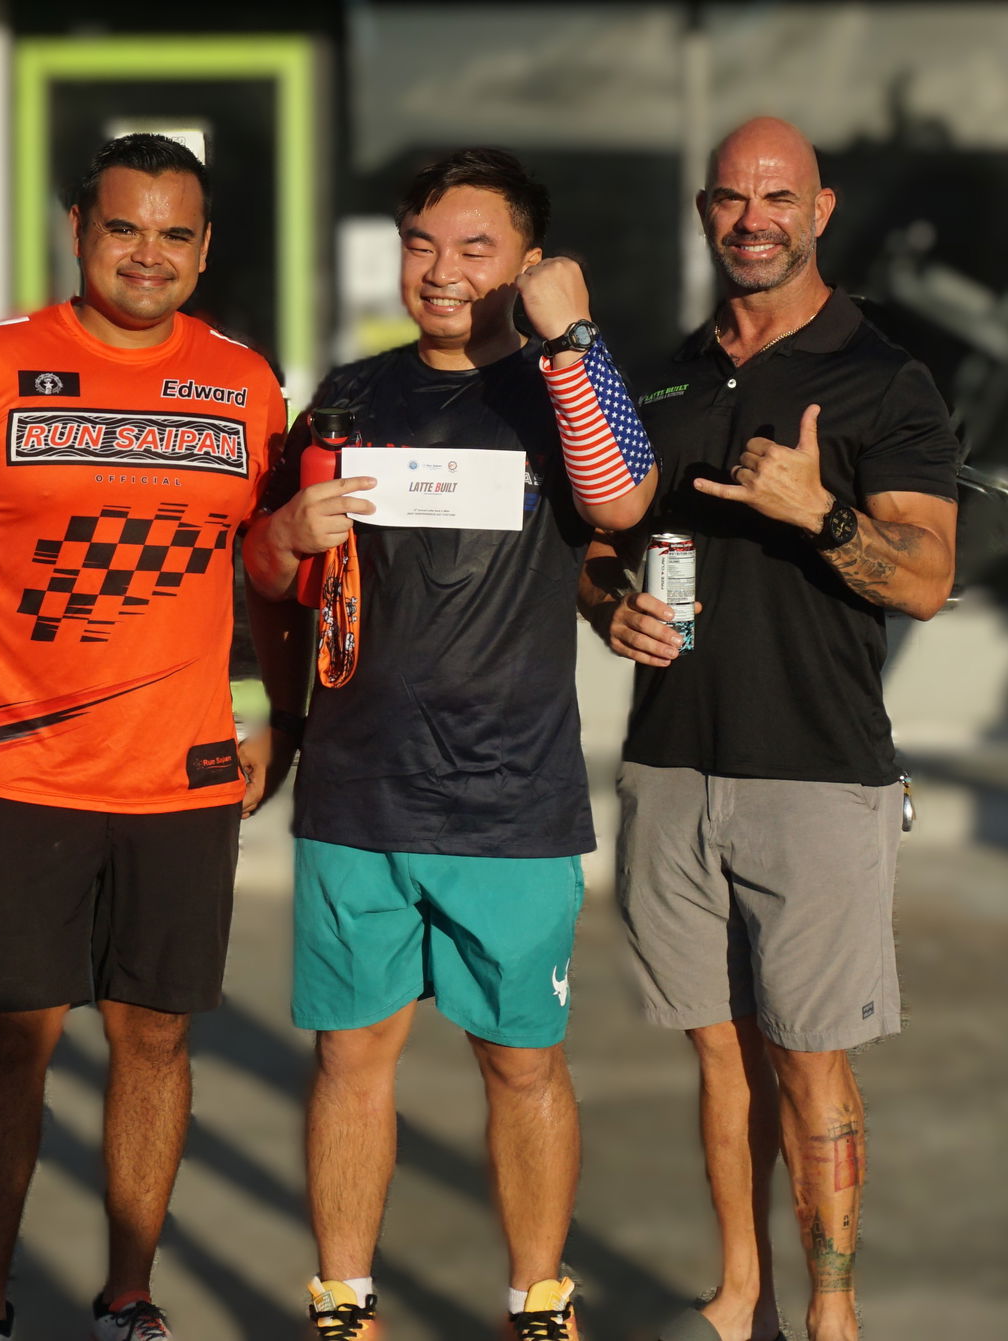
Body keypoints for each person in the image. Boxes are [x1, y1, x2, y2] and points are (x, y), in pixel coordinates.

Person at [0, 133, 303, 1341]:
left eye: (175, 234)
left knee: (155, 1041)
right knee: (11, 1047)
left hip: (181, 776)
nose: (148, 256)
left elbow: (263, 573)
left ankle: (128, 1299)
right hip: (23, 768)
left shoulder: (242, 382)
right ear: (79, 228)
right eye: (125, 228)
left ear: (206, 246)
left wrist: (273, 714)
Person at [244, 148, 658, 1340]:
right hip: (358, 790)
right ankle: (342, 1303)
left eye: (474, 248)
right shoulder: (350, 396)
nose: (441, 271)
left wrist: (570, 340)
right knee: (350, 1063)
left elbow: (623, 503)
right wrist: (285, 527)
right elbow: (268, 574)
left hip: (512, 798)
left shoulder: (554, 391)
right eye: (422, 242)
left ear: (528, 265)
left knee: (520, 1064)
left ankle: (537, 1299)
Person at [576, 118, 959, 1341]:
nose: (754, 218)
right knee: (720, 1058)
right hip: (672, 766)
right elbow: (597, 548)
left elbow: (926, 576)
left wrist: (817, 513)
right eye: (734, 198)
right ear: (705, 211)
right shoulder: (666, 380)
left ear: (819, 210)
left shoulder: (881, 378)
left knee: (810, 1059)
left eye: (777, 197)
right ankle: (740, 1298)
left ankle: (832, 1314)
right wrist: (611, 609)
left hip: (816, 771)